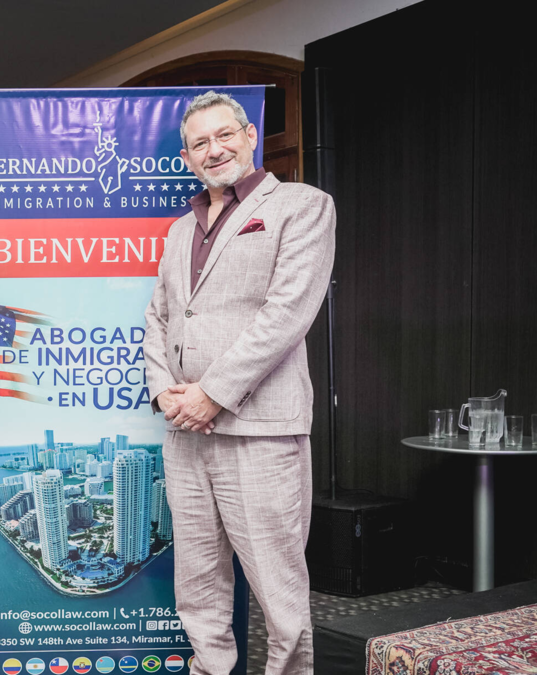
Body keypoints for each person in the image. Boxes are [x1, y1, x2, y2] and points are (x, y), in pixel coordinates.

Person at [144, 91, 335, 675]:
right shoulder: (180, 229)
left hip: (260, 432)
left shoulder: (302, 205)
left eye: (224, 135)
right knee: (197, 584)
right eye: (199, 143)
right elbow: (160, 317)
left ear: (250, 136)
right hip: (186, 435)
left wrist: (211, 394)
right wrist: (164, 391)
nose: (214, 150)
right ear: (186, 158)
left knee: (279, 589)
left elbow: (286, 314)